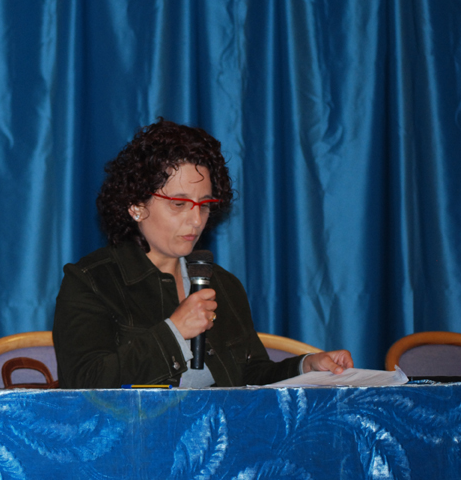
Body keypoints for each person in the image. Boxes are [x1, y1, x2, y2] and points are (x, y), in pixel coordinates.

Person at [52, 119, 352, 388]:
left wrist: (306, 367)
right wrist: (174, 332)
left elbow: (250, 379)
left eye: (204, 205)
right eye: (179, 204)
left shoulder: (223, 285)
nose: (196, 220)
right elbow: (85, 383)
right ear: (137, 207)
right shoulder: (91, 281)